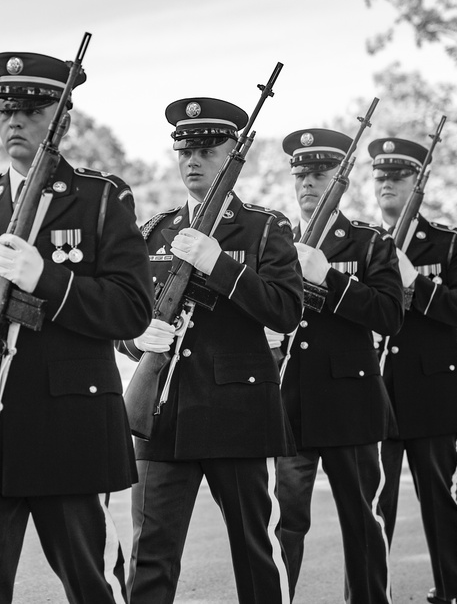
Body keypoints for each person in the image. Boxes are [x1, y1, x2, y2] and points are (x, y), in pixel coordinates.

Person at [0, 51, 153, 604]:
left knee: (91, 582)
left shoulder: (103, 199)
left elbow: (132, 310)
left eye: (31, 111)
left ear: (63, 122)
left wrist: (46, 278)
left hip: (70, 430)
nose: (15, 122)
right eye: (6, 111)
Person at [118, 97, 302, 604]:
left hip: (236, 413)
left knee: (253, 550)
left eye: (207, 148)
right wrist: (137, 340)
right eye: (185, 150)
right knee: (151, 554)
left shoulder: (266, 228)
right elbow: (123, 315)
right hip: (164, 415)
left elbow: (286, 311)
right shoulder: (156, 231)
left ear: (233, 155)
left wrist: (222, 265)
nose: (193, 160)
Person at [274, 128, 404, 603]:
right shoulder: (275, 239)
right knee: (284, 526)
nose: (308, 182)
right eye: (301, 173)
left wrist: (327, 277)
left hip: (351, 404)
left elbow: (390, 316)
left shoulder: (370, 243)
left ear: (340, 181)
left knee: (362, 522)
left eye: (320, 172)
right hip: (292, 404)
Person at [369, 137, 457, 604]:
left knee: (440, 501)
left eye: (397, 177)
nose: (386, 184)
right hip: (374, 390)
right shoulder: (360, 242)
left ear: (418, 183)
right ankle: (372, 595)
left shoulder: (449, 243)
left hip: (433, 392)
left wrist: (416, 283)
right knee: (373, 510)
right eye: (380, 176)